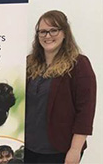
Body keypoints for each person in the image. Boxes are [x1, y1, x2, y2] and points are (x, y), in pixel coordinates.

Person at [24, 10, 96, 164]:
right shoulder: (29, 63)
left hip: (59, 150)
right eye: (42, 32)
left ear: (65, 33)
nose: (47, 36)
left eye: (53, 30)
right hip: (28, 148)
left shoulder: (78, 64)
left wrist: (75, 150)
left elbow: (85, 112)